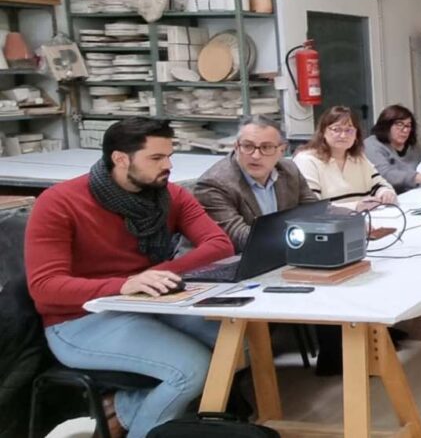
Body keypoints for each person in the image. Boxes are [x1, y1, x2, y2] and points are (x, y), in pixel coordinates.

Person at [25, 117, 234, 437]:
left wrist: (155, 273)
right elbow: (44, 287)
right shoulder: (59, 202)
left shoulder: (169, 195)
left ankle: (121, 411)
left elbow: (219, 244)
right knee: (193, 370)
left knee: (240, 349)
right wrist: (124, 284)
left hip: (145, 303)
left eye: (169, 156)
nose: (168, 166)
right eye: (156, 158)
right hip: (78, 319)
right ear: (120, 159)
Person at [195, 115, 317, 252]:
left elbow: (314, 212)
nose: (256, 156)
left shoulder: (289, 170)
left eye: (266, 147)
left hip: (279, 254)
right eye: (248, 146)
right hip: (223, 264)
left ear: (281, 150)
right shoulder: (214, 184)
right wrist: (298, 236)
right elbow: (240, 238)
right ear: (236, 147)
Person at [294, 106, 397, 210]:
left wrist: (385, 193)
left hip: (364, 219)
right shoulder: (307, 160)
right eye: (336, 129)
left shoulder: (358, 158)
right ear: (323, 132)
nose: (343, 135)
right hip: (327, 224)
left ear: (356, 135)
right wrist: (355, 206)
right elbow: (312, 207)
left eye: (349, 130)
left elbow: (380, 184)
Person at [364, 104, 421, 193]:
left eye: (408, 126)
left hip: (418, 195)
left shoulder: (415, 147)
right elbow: (384, 175)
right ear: (386, 125)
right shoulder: (371, 144)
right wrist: (417, 177)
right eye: (399, 124)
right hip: (387, 198)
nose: (405, 130)